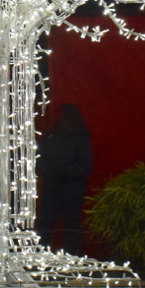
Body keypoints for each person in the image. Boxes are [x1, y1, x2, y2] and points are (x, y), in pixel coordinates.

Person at [36, 103, 93, 255]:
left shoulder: (78, 137)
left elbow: (86, 165)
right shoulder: (52, 135)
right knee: (47, 223)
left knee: (70, 223)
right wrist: (49, 171)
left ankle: (70, 255)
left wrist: (61, 171)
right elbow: (39, 158)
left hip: (71, 187)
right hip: (56, 186)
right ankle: (42, 254)